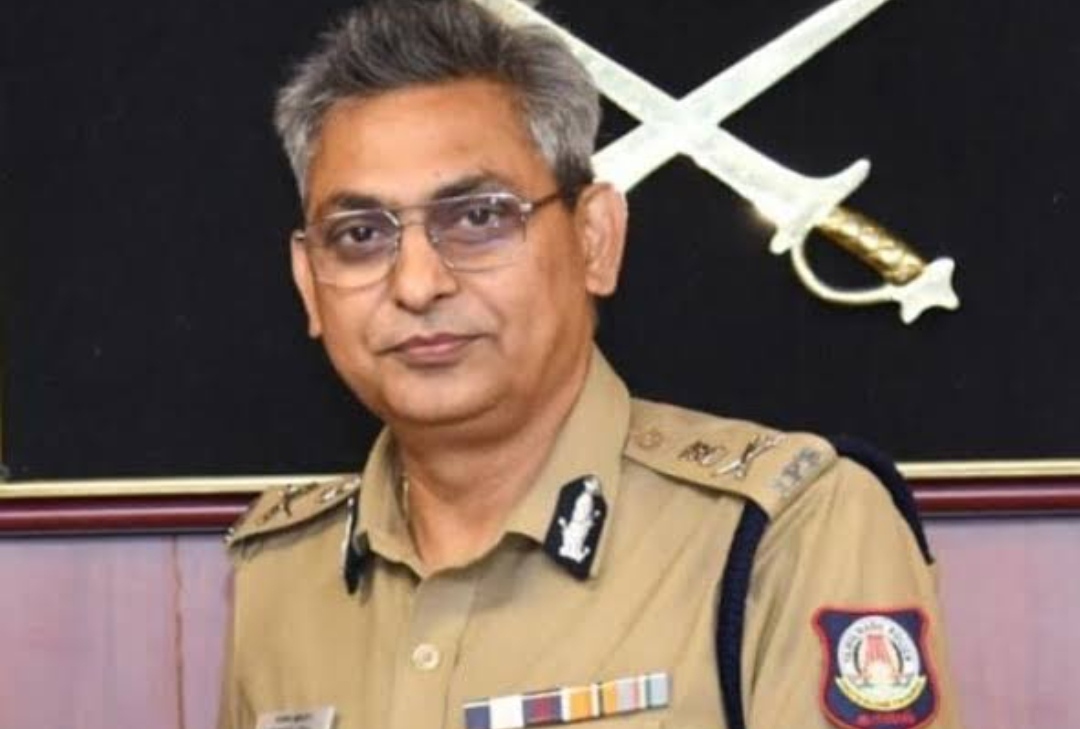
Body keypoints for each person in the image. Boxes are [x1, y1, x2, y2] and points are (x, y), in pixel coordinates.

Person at [217, 1, 961, 728]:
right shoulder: (281, 575)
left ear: (595, 240)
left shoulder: (785, 533)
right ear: (309, 282)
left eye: (478, 217)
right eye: (359, 234)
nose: (417, 284)